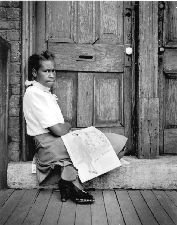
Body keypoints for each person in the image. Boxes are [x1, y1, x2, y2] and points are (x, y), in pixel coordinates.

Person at [23, 50, 128, 204]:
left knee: (120, 145)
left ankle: (70, 178)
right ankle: (72, 181)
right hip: (50, 145)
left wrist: (67, 130)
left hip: (60, 141)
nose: (51, 75)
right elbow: (58, 130)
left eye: (53, 70)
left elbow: (59, 129)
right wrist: (69, 125)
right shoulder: (34, 93)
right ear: (34, 72)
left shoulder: (44, 93)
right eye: (46, 71)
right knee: (117, 145)